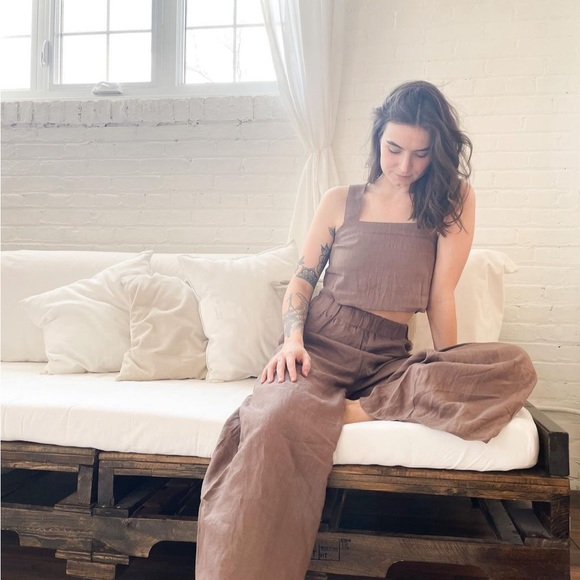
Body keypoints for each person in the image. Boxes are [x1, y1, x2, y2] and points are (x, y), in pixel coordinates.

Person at [195, 80, 537, 580]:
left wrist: (451, 370)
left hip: (388, 360)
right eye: (393, 149)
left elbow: (441, 296)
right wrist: (292, 340)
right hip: (320, 345)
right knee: (270, 422)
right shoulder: (340, 200)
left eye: (420, 154)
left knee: (513, 366)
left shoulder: (453, 200)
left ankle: (349, 411)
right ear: (378, 138)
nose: (404, 165)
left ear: (438, 152)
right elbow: (302, 281)